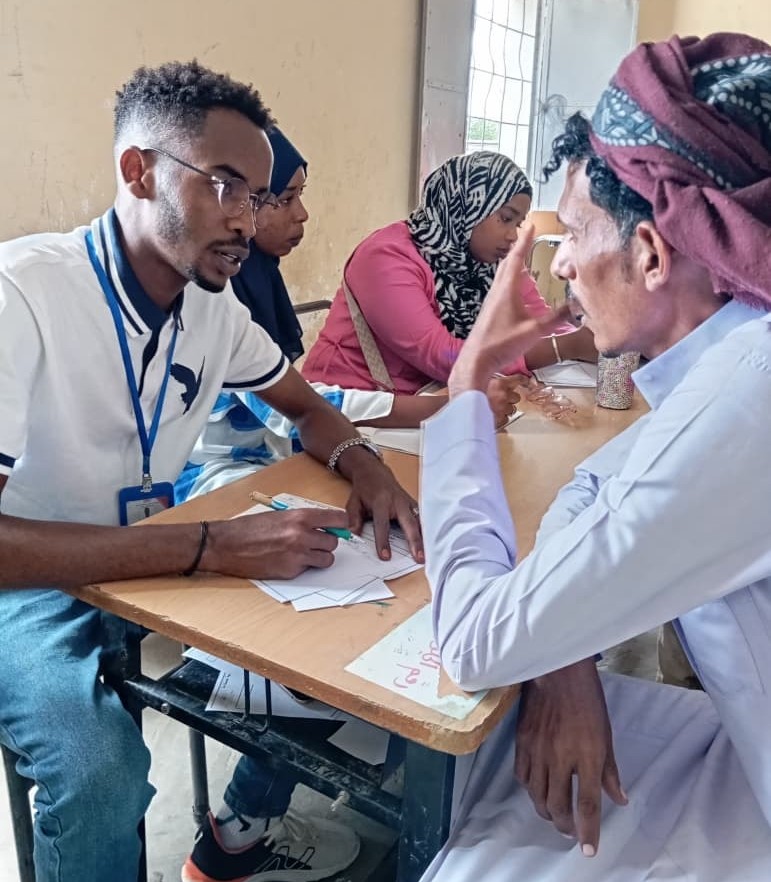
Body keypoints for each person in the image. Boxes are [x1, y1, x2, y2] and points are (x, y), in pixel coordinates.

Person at [0, 59, 425, 882]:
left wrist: (364, 465)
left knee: (351, 634)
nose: (247, 219)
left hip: (156, 548)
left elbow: (305, 408)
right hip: (33, 582)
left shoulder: (210, 306)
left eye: (259, 197)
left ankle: (236, 831)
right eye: (225, 185)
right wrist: (207, 547)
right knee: (100, 773)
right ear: (138, 171)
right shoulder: (23, 296)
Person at [419, 32, 771, 882]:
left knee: (478, 835)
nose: (562, 261)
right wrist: (567, 649)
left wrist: (468, 382)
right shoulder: (739, 356)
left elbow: (473, 639)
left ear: (650, 253)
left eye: (573, 232)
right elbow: (595, 485)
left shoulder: (747, 391)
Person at [177, 128, 520, 503]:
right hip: (219, 470)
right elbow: (435, 352)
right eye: (284, 199)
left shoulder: (252, 281)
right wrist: (449, 404)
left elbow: (297, 404)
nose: (303, 214)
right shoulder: (386, 255)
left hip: (299, 442)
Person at [302, 151, 595, 394]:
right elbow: (443, 356)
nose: (512, 236)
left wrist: (591, 338)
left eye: (517, 223)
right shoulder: (386, 258)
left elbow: (542, 322)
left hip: (431, 400)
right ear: (467, 206)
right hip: (355, 407)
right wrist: (563, 347)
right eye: (505, 218)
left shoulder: (491, 261)